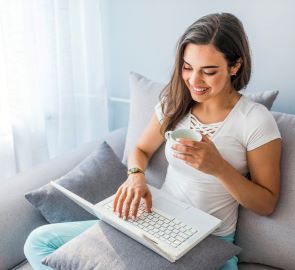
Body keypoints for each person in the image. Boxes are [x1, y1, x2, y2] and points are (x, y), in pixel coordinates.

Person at [24, 13, 281, 270]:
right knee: (39, 242)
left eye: (209, 71)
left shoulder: (254, 120)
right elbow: (140, 149)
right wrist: (136, 176)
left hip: (209, 240)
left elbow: (266, 203)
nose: (194, 81)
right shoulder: (175, 102)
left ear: (235, 66)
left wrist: (219, 168)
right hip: (156, 220)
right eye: (187, 67)